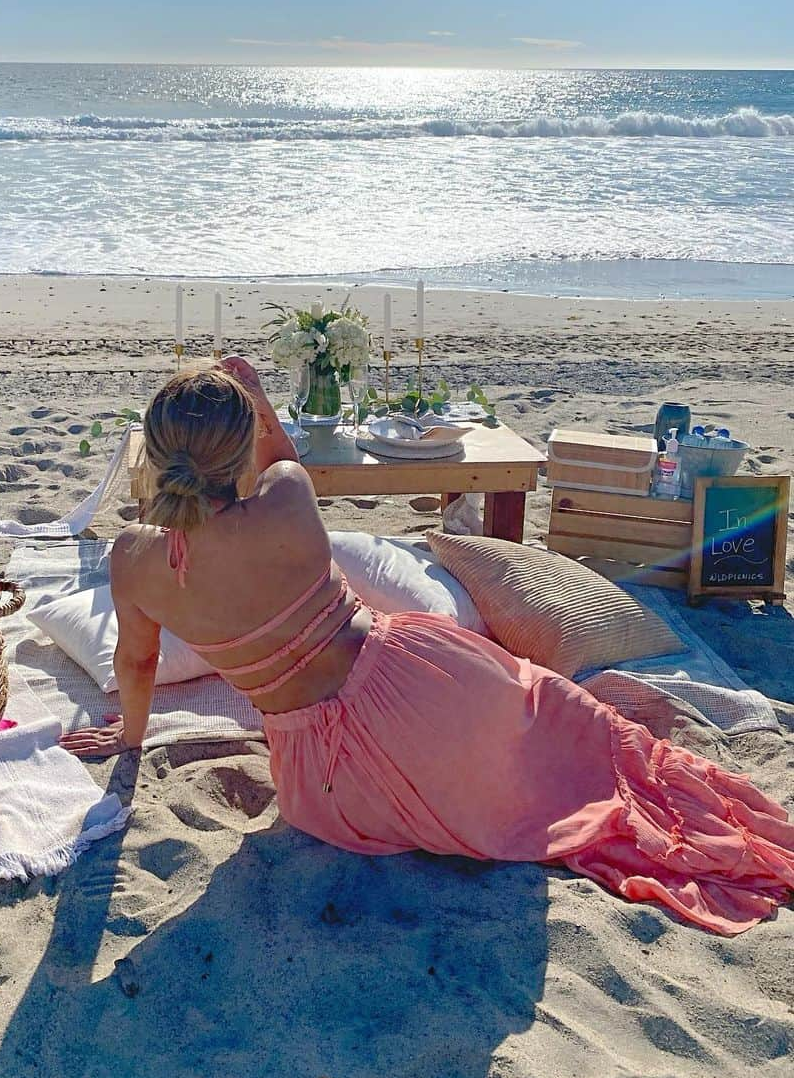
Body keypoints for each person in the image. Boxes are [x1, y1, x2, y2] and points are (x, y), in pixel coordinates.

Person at [60, 359, 794, 936]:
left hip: (326, 789)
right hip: (424, 688)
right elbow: (281, 460)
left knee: (555, 736)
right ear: (242, 443)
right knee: (575, 730)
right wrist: (258, 399)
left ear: (153, 454)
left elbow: (137, 665)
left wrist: (129, 741)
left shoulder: (132, 560)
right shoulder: (284, 498)